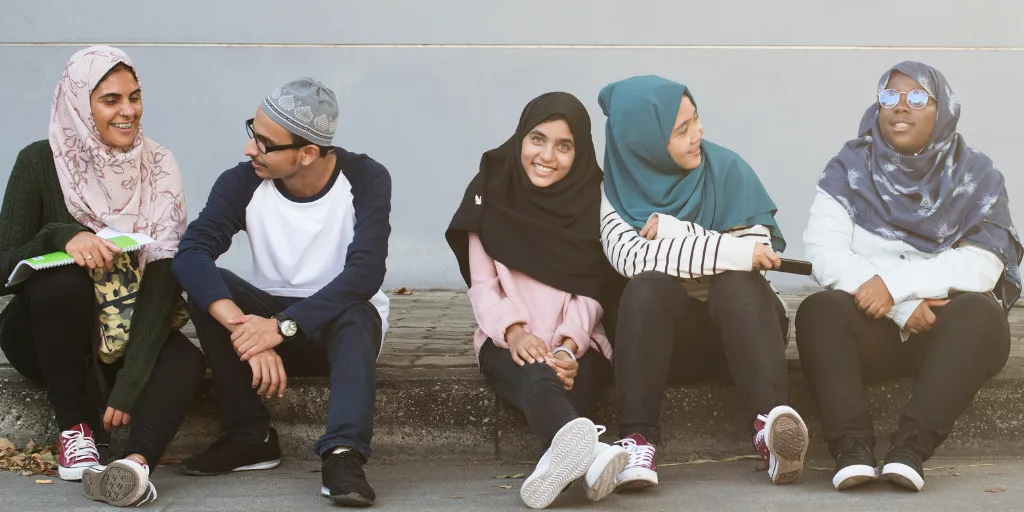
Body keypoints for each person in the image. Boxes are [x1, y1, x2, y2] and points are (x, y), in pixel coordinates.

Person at [796, 61, 1022, 492]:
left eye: (917, 98)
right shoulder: (848, 168)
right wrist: (899, 305)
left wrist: (897, 284)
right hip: (875, 328)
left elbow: (983, 262)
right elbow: (824, 254)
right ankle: (852, 449)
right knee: (819, 310)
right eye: (889, 96)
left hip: (948, 333)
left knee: (981, 313)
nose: (900, 108)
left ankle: (910, 451)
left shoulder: (977, 175)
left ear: (943, 110)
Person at [171, 77, 391, 507]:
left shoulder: (365, 178)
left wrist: (283, 327)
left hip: (342, 330)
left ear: (308, 152)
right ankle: (250, 437)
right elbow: (192, 252)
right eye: (252, 132)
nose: (249, 149)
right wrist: (250, 332)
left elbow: (364, 274)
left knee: (356, 310)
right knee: (206, 285)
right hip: (267, 317)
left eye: (265, 143)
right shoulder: (242, 181)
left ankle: (342, 455)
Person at [0, 46, 203, 507]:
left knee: (187, 361)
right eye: (110, 100)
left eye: (134, 97)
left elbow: (163, 274)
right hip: (46, 333)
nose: (127, 111)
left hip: (124, 330)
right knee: (64, 279)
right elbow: (2, 264)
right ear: (79, 104)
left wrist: (133, 380)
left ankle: (132, 466)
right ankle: (75, 428)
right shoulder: (38, 162)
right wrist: (61, 236)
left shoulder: (159, 166)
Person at [597, 75, 809, 490]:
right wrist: (730, 251)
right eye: (682, 130)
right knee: (647, 287)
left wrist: (675, 231)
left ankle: (771, 429)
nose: (699, 134)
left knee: (738, 285)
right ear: (643, 142)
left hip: (745, 338)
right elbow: (634, 258)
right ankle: (638, 440)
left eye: (696, 119)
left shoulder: (727, 168)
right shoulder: (614, 192)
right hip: (665, 346)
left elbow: (757, 254)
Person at [446, 92, 628, 509]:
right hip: (503, 342)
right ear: (520, 139)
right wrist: (514, 334)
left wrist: (567, 345)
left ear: (579, 153)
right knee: (534, 374)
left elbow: (593, 288)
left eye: (564, 146)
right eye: (537, 139)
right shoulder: (490, 189)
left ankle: (563, 462)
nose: (546, 155)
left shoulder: (593, 200)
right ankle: (595, 457)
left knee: (563, 380)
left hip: (581, 345)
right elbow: (483, 285)